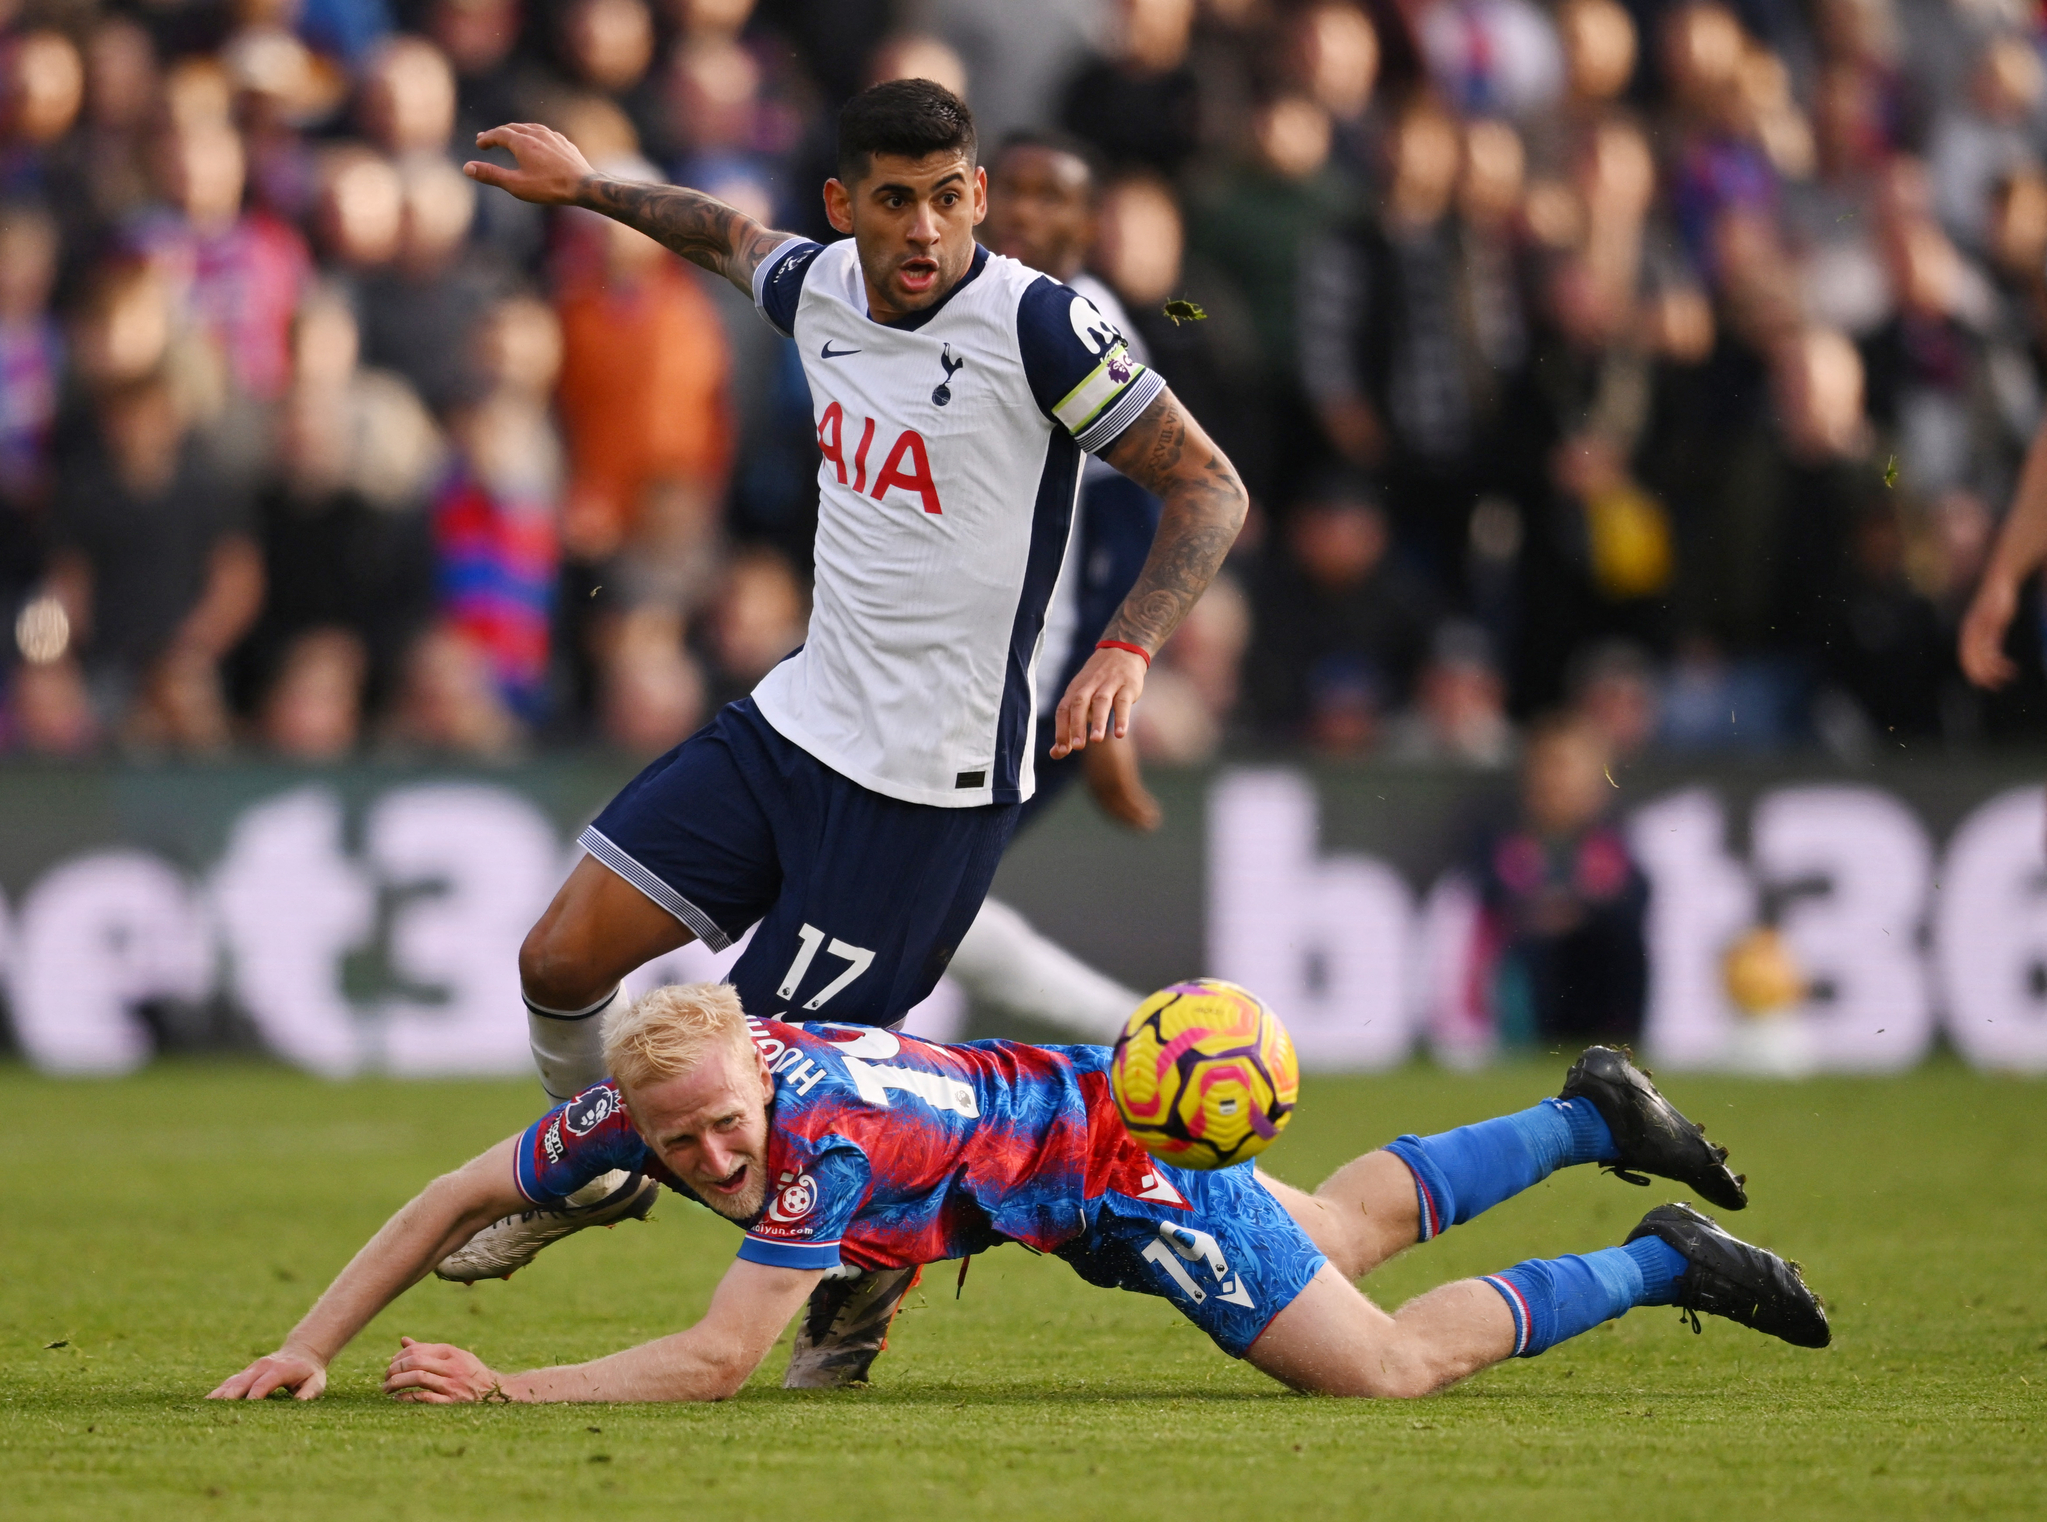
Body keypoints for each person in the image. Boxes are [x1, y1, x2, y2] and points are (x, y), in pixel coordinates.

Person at [447, 81, 1248, 1377]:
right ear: (847, 204)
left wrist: (1127, 644)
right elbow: (723, 236)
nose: (925, 226)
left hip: (924, 794)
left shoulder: (1042, 324)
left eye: (948, 195)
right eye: (894, 199)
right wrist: (591, 184)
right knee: (559, 957)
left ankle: (870, 1262)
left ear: (976, 195)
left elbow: (1209, 485)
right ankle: (593, 1170)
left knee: (759, 1103)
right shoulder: (822, 285)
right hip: (794, 723)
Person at [209, 982, 1826, 1407]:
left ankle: (1660, 1257)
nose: (712, 1160)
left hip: (1106, 1167)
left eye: (724, 1131)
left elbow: (714, 1362)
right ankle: (1585, 1108)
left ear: (763, 1078)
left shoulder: (812, 1132)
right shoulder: (663, 1083)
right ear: (618, 1112)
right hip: (1041, 1110)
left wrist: (506, 1386)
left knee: (1385, 1362)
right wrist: (311, 1342)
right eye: (677, 1143)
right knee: (1330, 1230)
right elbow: (441, 1194)